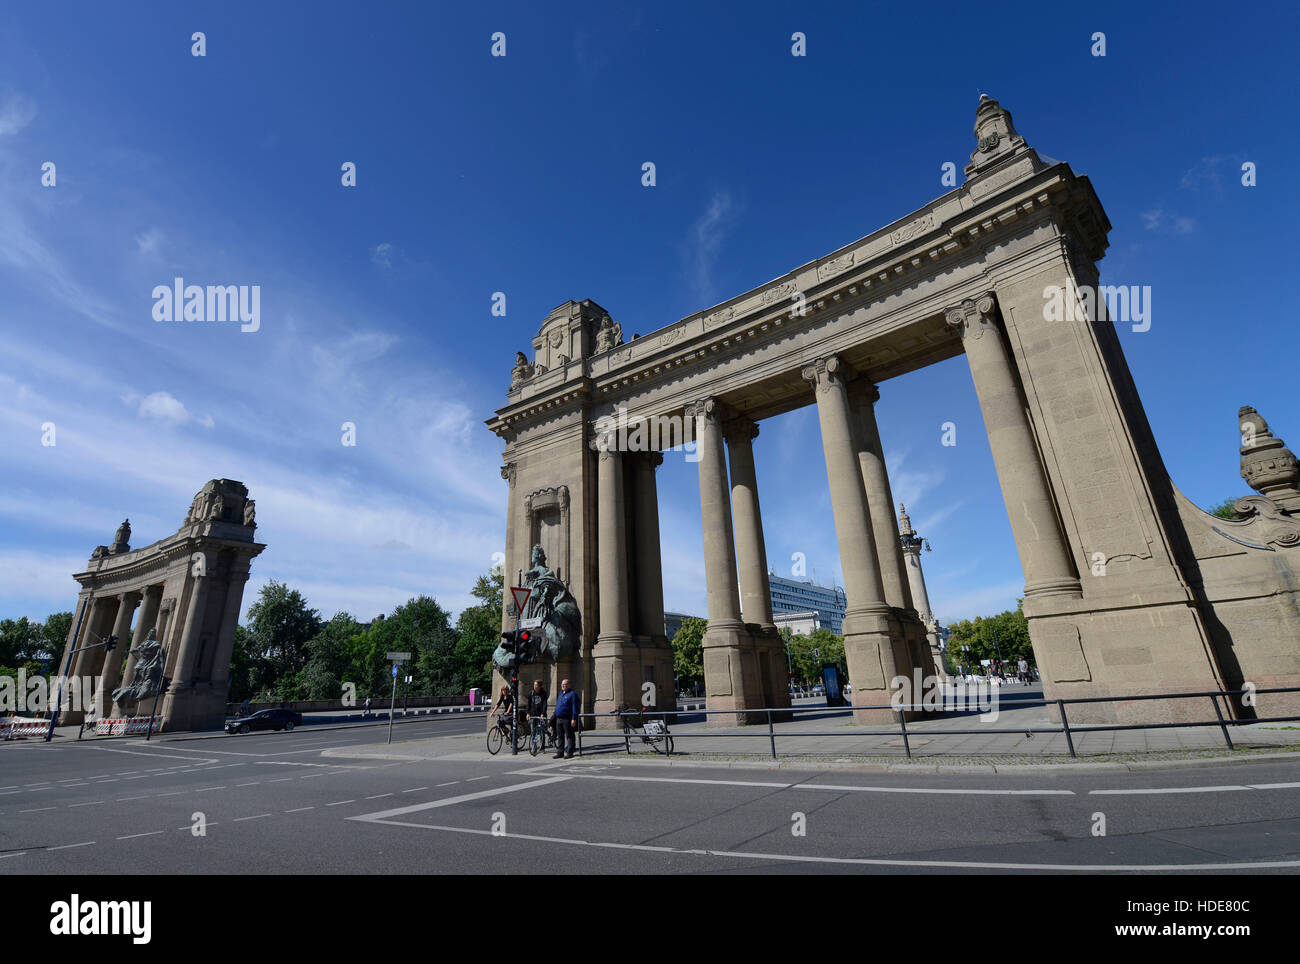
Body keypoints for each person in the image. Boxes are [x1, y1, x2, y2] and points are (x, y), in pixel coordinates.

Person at [553, 678, 579, 759]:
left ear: (569, 685)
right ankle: (560, 752)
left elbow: (575, 707)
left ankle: (570, 752)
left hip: (567, 718)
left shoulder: (572, 694)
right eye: (562, 684)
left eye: (565, 684)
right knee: (560, 736)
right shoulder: (561, 693)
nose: (563, 686)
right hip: (559, 718)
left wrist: (574, 718)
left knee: (569, 736)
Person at [527, 679, 549, 746]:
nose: (535, 686)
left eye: (536, 685)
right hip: (533, 714)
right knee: (533, 731)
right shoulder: (531, 693)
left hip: (541, 714)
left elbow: (545, 704)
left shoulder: (543, 693)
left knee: (541, 731)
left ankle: (542, 746)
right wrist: (528, 713)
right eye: (534, 685)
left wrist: (543, 713)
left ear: (539, 686)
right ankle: (534, 746)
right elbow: (529, 704)